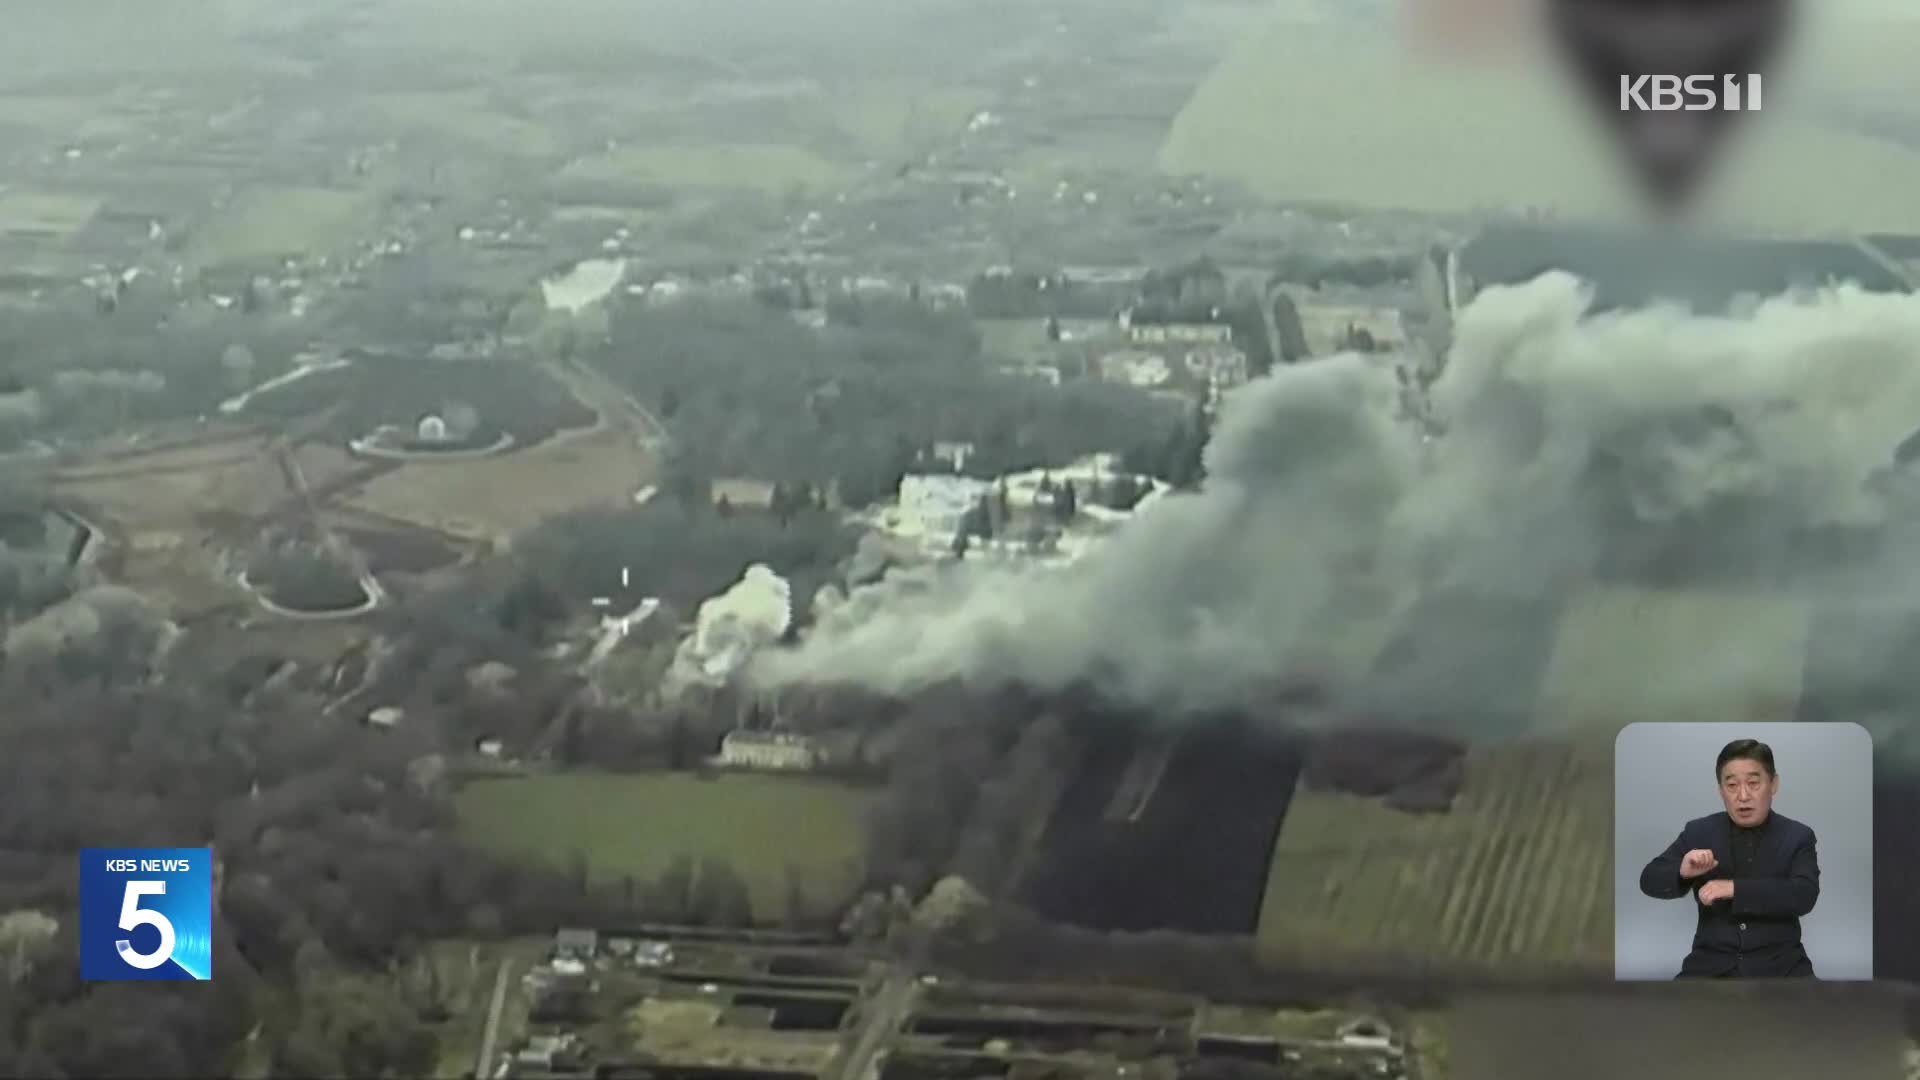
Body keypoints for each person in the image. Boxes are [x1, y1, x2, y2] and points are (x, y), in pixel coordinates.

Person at [1639, 738, 1820, 977]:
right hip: (1710, 965)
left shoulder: (1798, 835)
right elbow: (1649, 880)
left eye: (1754, 783)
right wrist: (1681, 872)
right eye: (1732, 785)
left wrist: (1734, 888)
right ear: (1720, 789)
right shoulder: (1699, 831)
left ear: (1773, 784)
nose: (1743, 796)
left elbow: (1804, 895)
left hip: (1782, 966)